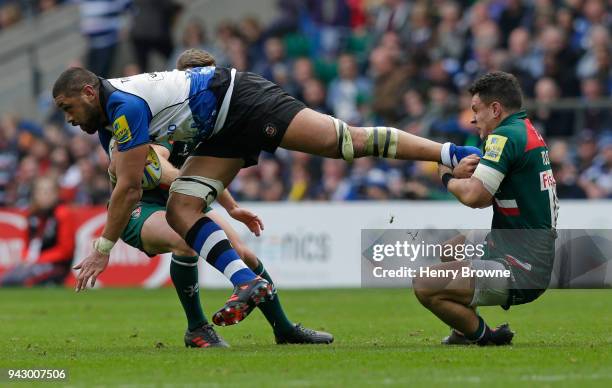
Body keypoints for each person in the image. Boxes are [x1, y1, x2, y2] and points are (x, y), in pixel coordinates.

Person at [51, 49, 481, 318]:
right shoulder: (112, 120)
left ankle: (449, 153)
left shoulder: (124, 106)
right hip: (218, 132)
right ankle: (245, 281)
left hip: (243, 101)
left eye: (68, 107)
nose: (68, 119)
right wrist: (232, 206)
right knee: (183, 210)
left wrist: (102, 250)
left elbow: (127, 189)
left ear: (89, 92)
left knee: (344, 142)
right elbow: (144, 179)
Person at [104, 138, 333, 347]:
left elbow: (204, 171)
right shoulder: (154, 115)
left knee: (244, 255)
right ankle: (197, 328)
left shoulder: (195, 117)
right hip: (138, 206)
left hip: (183, 199)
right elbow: (157, 163)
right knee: (184, 238)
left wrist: (232, 207)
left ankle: (284, 329)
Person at [413, 71, 559, 346]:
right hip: (519, 248)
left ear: (495, 109)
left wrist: (447, 177)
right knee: (451, 249)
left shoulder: (503, 137)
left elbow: (475, 198)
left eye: (476, 110)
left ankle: (485, 336)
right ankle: (461, 329)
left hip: (520, 267)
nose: (472, 118)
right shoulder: (525, 131)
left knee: (424, 283)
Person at [0, 176, 76, 287]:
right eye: (41, 191)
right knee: (7, 280)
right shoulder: (32, 216)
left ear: (56, 194)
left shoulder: (62, 214)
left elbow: (66, 250)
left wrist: (39, 260)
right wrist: (26, 258)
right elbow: (26, 244)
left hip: (56, 266)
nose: (45, 195)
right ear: (35, 194)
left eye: (49, 191)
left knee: (23, 281)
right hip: (33, 263)